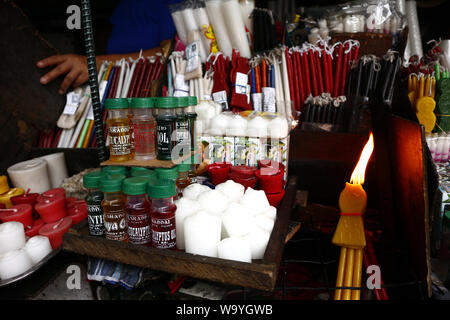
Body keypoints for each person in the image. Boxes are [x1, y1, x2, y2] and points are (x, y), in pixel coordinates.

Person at [37, 0, 181, 94]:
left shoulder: (166, 4)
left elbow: (172, 52)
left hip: (149, 102)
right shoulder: (124, 6)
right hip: (117, 96)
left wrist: (96, 63)